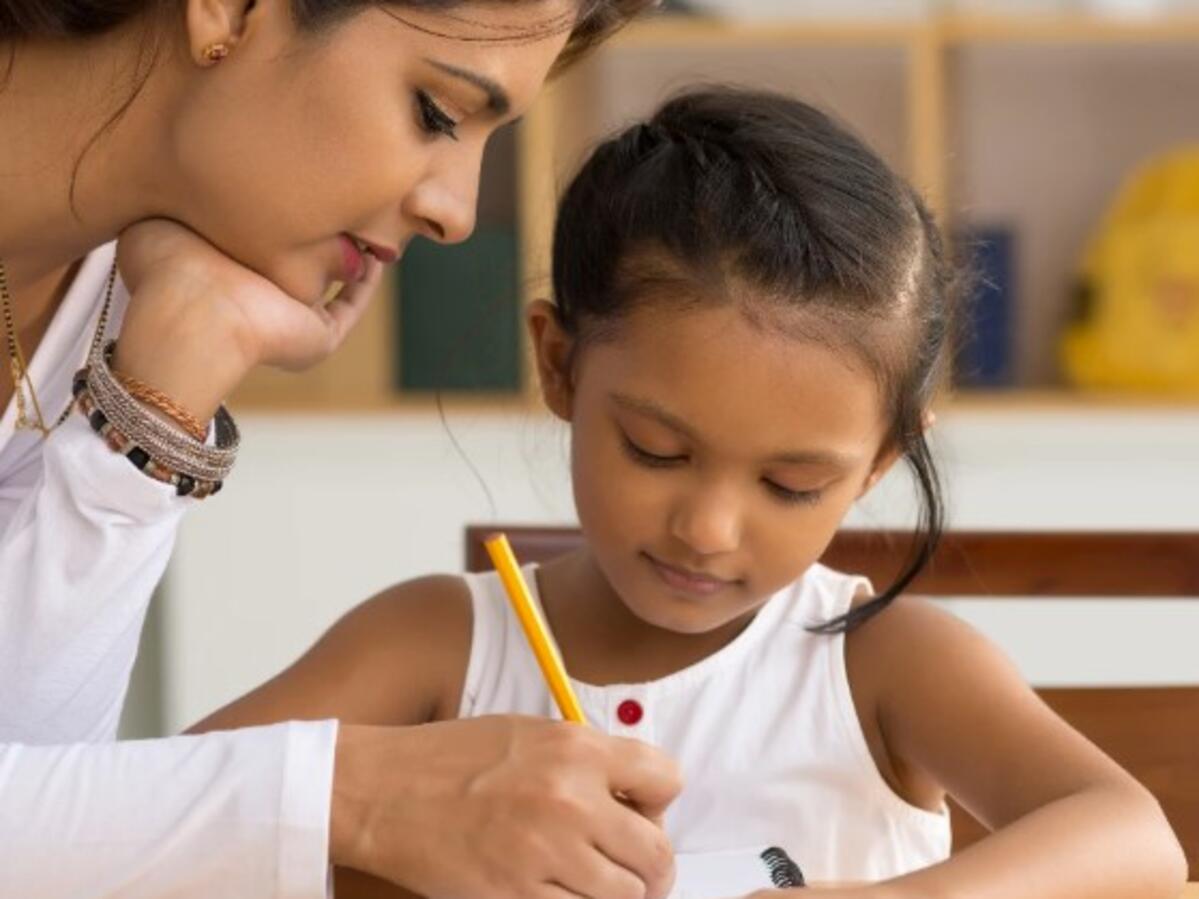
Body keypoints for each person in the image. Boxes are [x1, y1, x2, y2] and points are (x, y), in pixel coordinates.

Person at [196, 88, 1188, 898]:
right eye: (655, 450)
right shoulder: (435, 640)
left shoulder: (882, 661)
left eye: (791, 483)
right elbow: (158, 816)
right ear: (558, 364)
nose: (707, 527)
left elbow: (1131, 840)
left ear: (878, 461)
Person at [0, 2, 685, 897]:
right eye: (436, 113)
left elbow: (35, 812)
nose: (457, 213)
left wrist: (159, 396)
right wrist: (355, 796)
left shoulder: (126, 280)